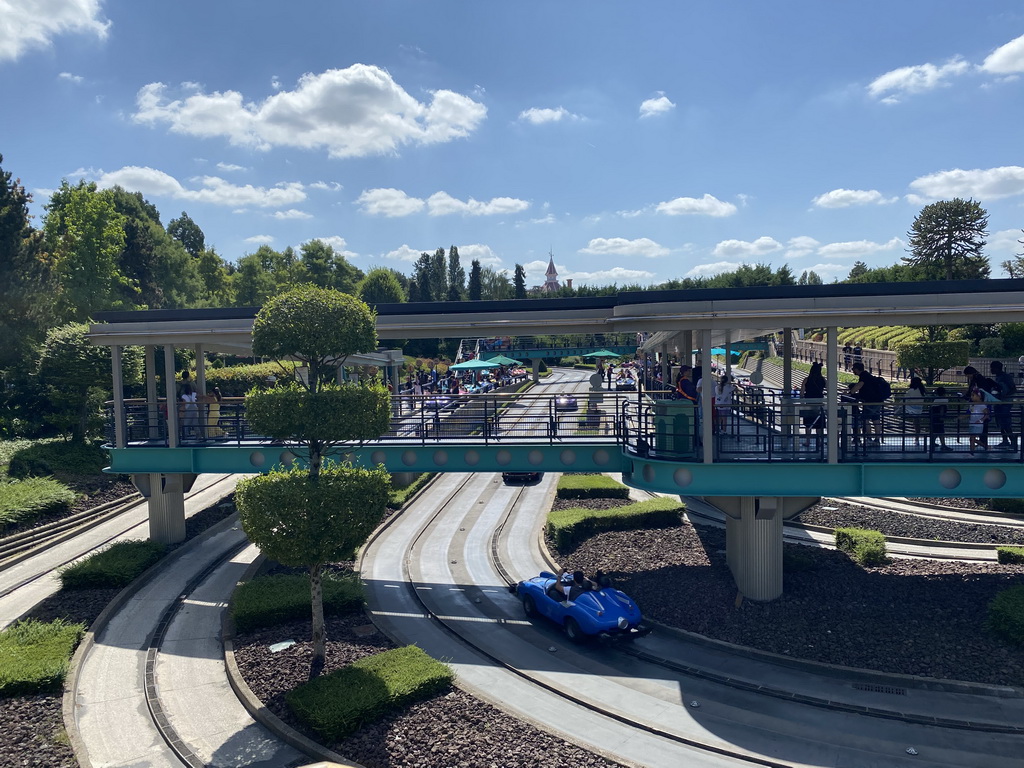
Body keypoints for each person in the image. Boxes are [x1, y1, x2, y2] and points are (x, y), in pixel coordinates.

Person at [990, 361, 1017, 450]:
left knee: (1005, 423)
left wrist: (1004, 395)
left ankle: (1012, 441)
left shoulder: (1006, 377)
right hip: (998, 402)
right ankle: (1005, 440)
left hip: (1005, 403)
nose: (991, 370)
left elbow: (1013, 389)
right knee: (1001, 423)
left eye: (992, 368)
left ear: (997, 368)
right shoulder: (998, 377)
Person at [800, 362, 826, 447]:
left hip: (809, 404)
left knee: (808, 424)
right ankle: (819, 442)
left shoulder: (806, 380)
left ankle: (808, 441)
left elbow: (801, 393)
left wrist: (802, 401)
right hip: (819, 404)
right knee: (819, 425)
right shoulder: (823, 380)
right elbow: (829, 389)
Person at [902, 376, 927, 447]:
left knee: (916, 423)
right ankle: (917, 438)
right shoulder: (922, 390)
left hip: (911, 409)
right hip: (919, 409)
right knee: (917, 423)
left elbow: (905, 400)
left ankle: (916, 439)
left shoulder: (911, 391)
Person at [966, 390, 989, 455]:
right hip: (972, 423)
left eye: (973, 395)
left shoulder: (982, 405)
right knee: (972, 438)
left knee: (972, 438)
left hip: (978, 425)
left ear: (979, 396)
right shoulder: (972, 405)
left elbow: (987, 414)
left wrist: (981, 420)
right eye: (971, 395)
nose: (971, 397)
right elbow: (969, 413)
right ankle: (984, 446)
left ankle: (972, 452)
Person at [930, 386, 951, 451]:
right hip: (939, 417)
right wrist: (942, 416)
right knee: (941, 431)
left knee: (936, 430)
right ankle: (943, 445)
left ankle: (933, 443)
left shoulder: (936, 399)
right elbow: (942, 408)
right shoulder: (944, 399)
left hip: (933, 416)